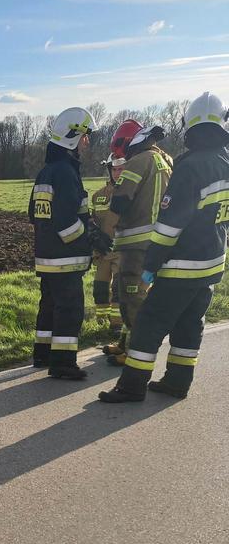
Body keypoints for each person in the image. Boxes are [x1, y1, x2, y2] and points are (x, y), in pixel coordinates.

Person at [100, 92, 229, 403]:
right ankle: (177, 382)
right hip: (211, 263)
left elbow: (170, 225)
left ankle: (131, 387)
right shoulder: (224, 163)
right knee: (189, 324)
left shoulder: (191, 166)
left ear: (190, 125)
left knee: (148, 323)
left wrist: (151, 265)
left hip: (181, 265)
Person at [28, 106, 110, 380]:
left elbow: (35, 215)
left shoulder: (46, 172)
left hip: (46, 256)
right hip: (66, 259)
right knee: (70, 309)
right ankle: (62, 363)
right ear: (74, 138)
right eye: (86, 137)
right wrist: (90, 239)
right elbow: (65, 222)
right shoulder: (65, 172)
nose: (88, 143)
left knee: (49, 306)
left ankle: (43, 354)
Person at [101, 121, 172, 366]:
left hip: (137, 245)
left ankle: (133, 351)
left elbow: (120, 200)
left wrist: (104, 234)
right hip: (156, 243)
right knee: (135, 294)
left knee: (132, 297)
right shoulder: (164, 160)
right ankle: (125, 342)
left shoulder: (139, 161)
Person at [91, 155, 125, 330]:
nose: (117, 173)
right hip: (103, 251)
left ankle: (117, 326)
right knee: (100, 288)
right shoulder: (98, 196)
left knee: (119, 289)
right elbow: (94, 221)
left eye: (121, 169)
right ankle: (100, 324)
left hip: (122, 251)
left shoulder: (133, 192)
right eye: (114, 169)